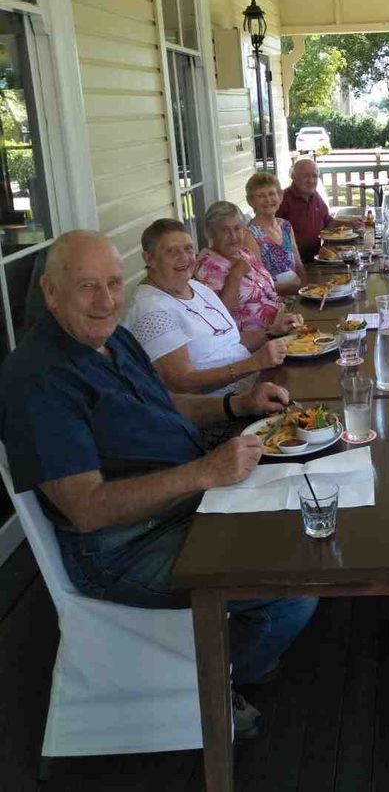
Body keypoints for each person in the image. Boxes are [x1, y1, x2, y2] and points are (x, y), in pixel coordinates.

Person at [0, 231, 317, 738]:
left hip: (186, 497)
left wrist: (239, 406)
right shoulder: (39, 379)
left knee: (300, 503)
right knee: (293, 585)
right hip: (122, 547)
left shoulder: (111, 338)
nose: (105, 300)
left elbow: (167, 406)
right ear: (50, 291)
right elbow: (88, 509)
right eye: (86, 287)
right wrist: (206, 472)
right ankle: (211, 682)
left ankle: (227, 649)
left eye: (111, 283)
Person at [124, 218, 293, 395]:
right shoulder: (149, 309)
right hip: (224, 407)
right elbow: (182, 382)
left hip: (254, 383)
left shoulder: (196, 287)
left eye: (188, 249)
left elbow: (231, 340)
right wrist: (253, 364)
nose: (184, 258)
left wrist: (271, 332)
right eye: (171, 251)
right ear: (149, 259)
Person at [195, 201, 296, 334]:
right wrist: (235, 275)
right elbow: (219, 317)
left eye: (237, 228)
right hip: (255, 341)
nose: (233, 236)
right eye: (225, 230)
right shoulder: (207, 268)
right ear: (210, 234)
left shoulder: (245, 253)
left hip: (281, 323)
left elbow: (267, 290)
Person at [277, 158, 362, 262]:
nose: (311, 180)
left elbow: (328, 222)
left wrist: (350, 223)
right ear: (293, 177)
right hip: (295, 262)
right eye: (306, 176)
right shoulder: (282, 200)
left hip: (318, 257)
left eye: (314, 176)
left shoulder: (315, 196)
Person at [243, 171, 306, 293]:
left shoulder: (285, 226)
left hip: (297, 293)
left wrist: (307, 289)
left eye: (272, 194)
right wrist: (296, 288)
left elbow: (298, 265)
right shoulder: (250, 233)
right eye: (261, 196)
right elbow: (259, 282)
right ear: (250, 201)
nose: (268, 199)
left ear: (280, 197)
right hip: (272, 300)